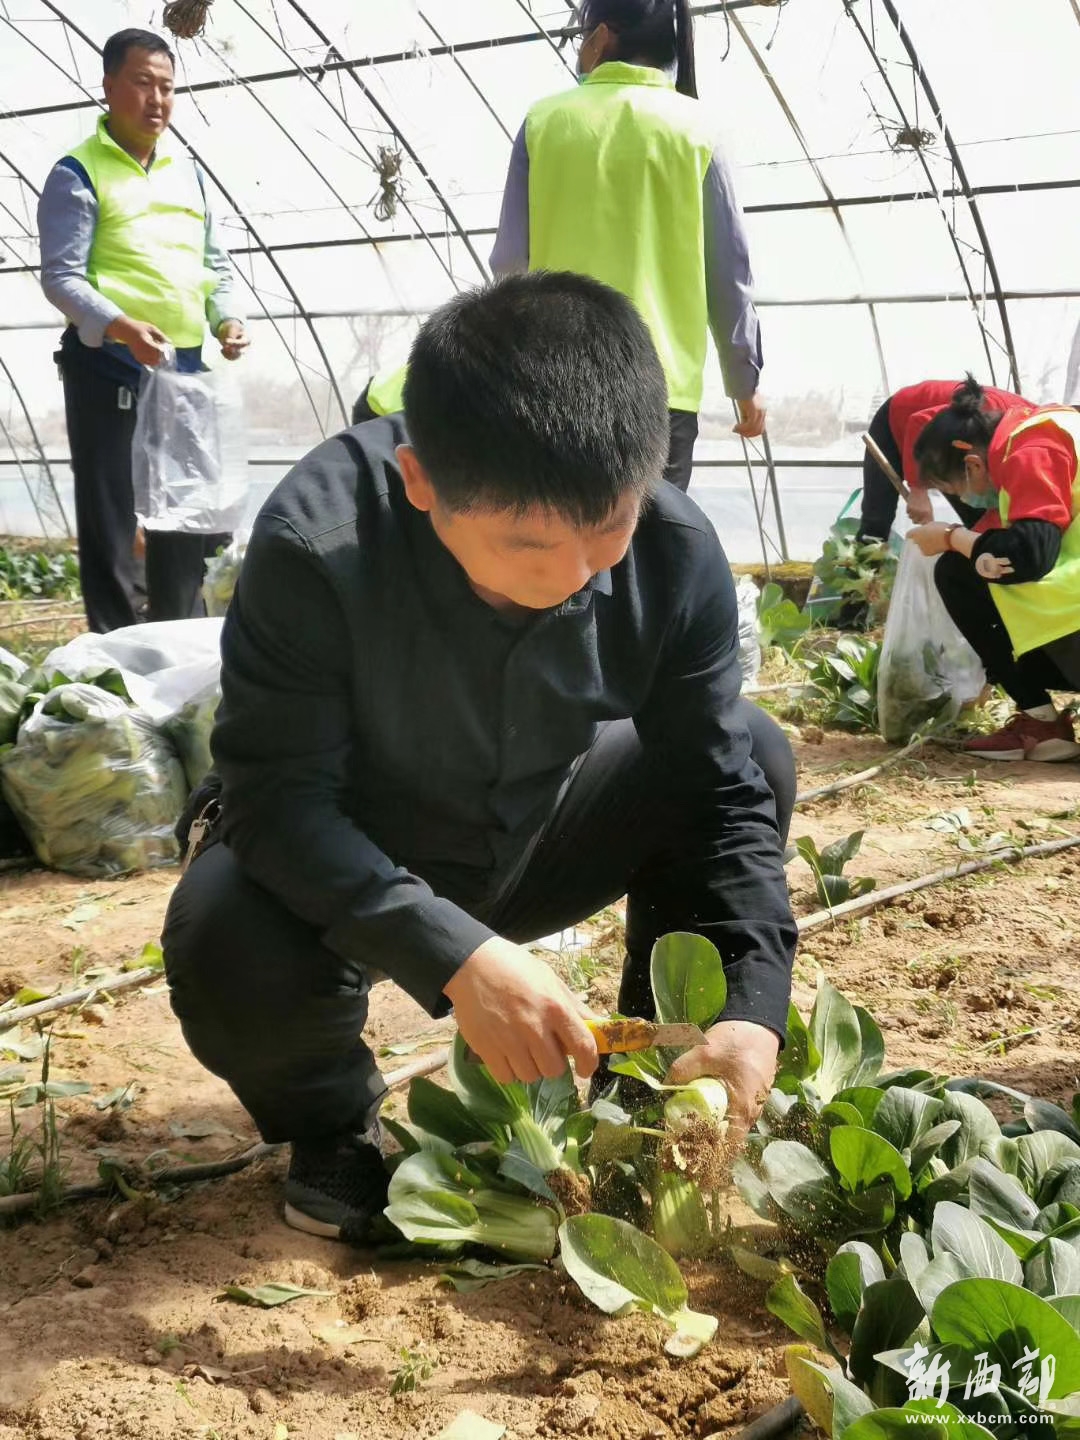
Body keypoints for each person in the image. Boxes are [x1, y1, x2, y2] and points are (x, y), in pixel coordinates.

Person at [162, 272, 797, 1243]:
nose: (573, 575)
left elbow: (719, 793)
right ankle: (331, 1130)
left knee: (754, 749)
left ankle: (645, 1083)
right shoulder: (320, 544)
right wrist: (455, 956)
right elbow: (279, 803)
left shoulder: (674, 548)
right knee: (223, 928)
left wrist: (755, 1000)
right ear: (422, 483)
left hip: (541, 826)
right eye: (527, 545)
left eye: (607, 532)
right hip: (360, 845)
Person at [490, 0, 764, 493]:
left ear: (601, 37)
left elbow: (511, 262)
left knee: (560, 532)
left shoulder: (544, 121)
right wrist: (744, 383)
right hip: (659, 391)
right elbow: (729, 274)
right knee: (651, 534)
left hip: (555, 383)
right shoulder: (700, 130)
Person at [37, 28, 248, 633]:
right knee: (113, 515)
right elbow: (61, 277)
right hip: (111, 365)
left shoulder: (189, 174)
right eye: (142, 83)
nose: (157, 99)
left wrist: (226, 317)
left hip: (184, 371)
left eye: (167, 87)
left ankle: (180, 636)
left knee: (189, 513)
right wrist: (120, 325)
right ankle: (117, 651)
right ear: (109, 87)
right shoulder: (78, 172)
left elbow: (215, 266)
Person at [909, 376, 1080, 763]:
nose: (965, 500)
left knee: (957, 571)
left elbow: (1028, 556)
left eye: (956, 490)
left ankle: (1040, 722)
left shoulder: (1032, 450)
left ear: (972, 464)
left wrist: (952, 537)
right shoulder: (1054, 425)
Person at [859, 379, 1027, 543]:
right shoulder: (994, 417)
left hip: (958, 447)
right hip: (897, 420)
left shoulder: (1022, 448)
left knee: (980, 524)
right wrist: (918, 490)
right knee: (877, 519)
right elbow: (919, 421)